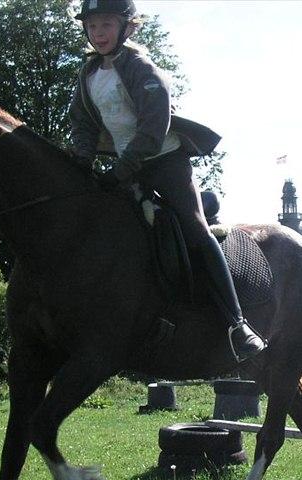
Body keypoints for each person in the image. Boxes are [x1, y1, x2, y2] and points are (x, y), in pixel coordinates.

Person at [69, 0, 266, 363]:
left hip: (165, 163)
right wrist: (80, 161)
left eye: (106, 25)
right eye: (92, 26)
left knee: (195, 228)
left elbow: (151, 129)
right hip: (127, 167)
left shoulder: (142, 68)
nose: (98, 33)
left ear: (127, 27)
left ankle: (238, 326)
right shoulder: (88, 74)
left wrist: (121, 171)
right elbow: (81, 123)